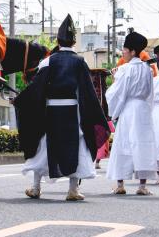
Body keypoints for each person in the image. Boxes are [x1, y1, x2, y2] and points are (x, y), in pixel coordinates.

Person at [14, 14, 109, 201]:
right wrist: (96, 113)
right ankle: (73, 190)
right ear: (74, 42)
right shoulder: (80, 62)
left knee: (43, 146)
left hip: (50, 111)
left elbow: (36, 87)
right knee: (77, 146)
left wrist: (20, 100)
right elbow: (88, 91)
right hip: (73, 112)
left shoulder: (48, 61)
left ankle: (35, 188)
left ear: (57, 40)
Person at [106, 31, 157, 195]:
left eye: (125, 49)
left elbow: (118, 93)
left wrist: (115, 79)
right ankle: (142, 186)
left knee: (123, 143)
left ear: (133, 51)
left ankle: (120, 185)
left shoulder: (123, 70)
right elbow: (150, 94)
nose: (123, 52)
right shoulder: (147, 70)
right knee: (143, 144)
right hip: (142, 109)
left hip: (128, 109)